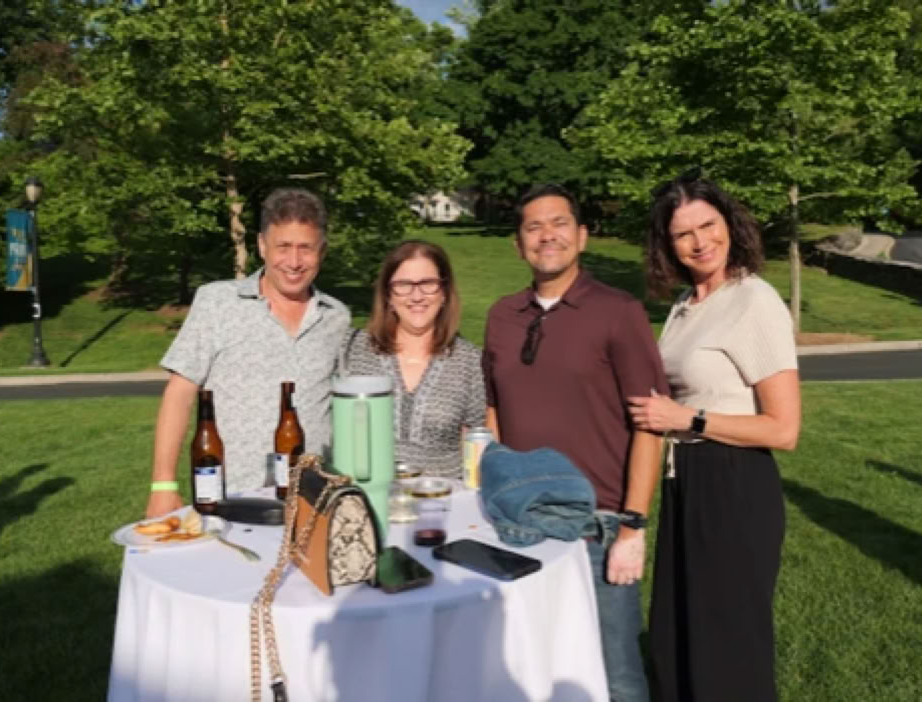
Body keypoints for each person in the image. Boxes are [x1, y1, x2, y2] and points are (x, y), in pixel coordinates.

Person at [483, 183, 668, 702]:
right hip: (518, 524)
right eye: (533, 226)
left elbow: (649, 423)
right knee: (530, 669)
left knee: (617, 676)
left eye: (559, 223)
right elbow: (493, 411)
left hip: (597, 527)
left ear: (582, 236)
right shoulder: (502, 316)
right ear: (518, 244)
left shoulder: (618, 311)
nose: (547, 235)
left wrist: (632, 526)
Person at [627, 172, 801, 702]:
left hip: (735, 482)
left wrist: (689, 418)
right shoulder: (686, 305)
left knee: (726, 646)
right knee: (678, 636)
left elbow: (784, 429)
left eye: (708, 225)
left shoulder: (753, 299)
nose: (700, 242)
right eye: (684, 234)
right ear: (667, 245)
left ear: (730, 223)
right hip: (686, 482)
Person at [146, 188, 350, 517]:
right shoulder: (217, 303)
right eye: (283, 247)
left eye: (306, 248)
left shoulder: (336, 317)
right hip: (230, 502)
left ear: (322, 252)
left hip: (313, 505)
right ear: (262, 246)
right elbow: (179, 394)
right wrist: (163, 485)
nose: (294, 262)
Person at [342, 240, 485, 479]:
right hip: (366, 495)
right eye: (404, 285)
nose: (417, 296)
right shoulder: (353, 349)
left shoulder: (469, 361)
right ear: (388, 295)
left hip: (442, 496)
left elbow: (478, 443)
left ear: (444, 292)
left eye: (428, 284)